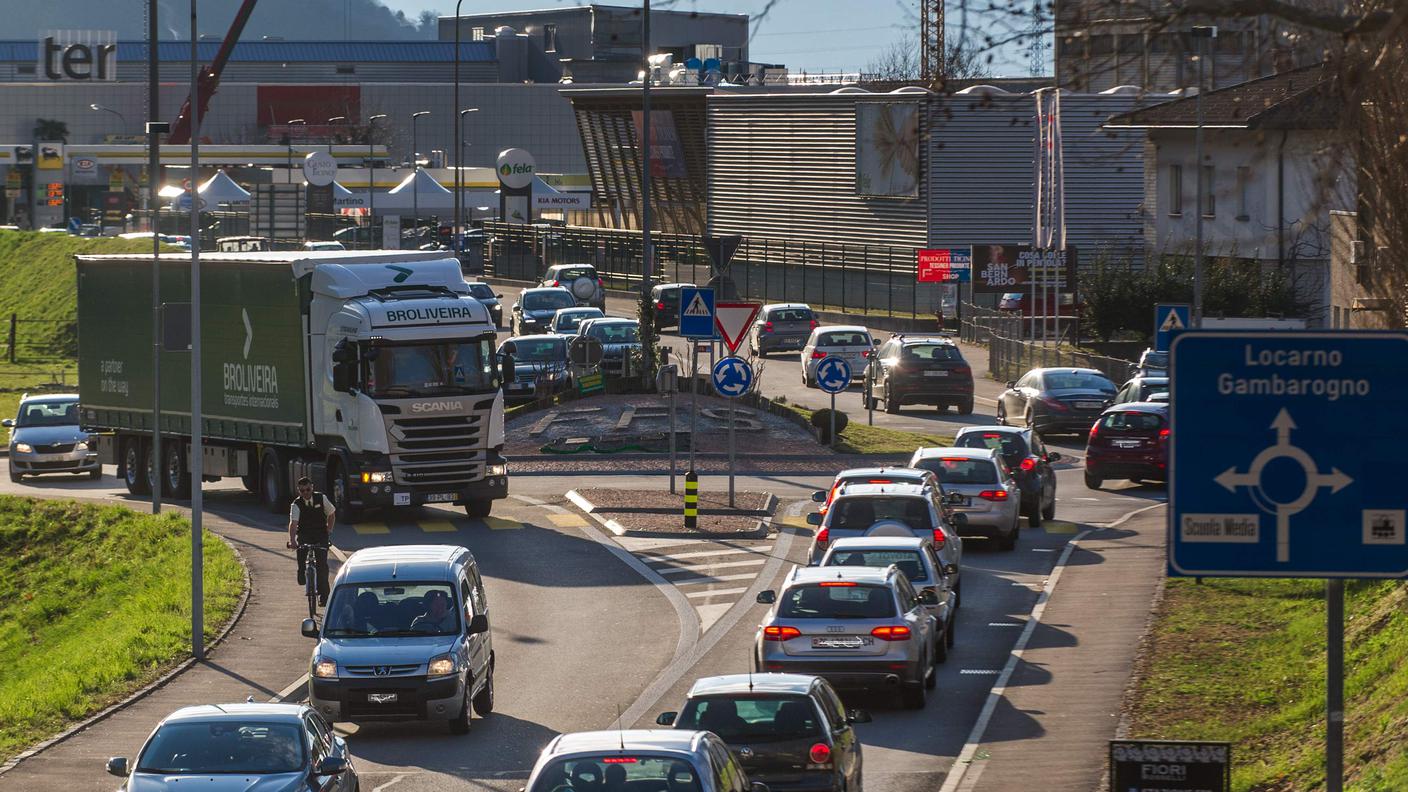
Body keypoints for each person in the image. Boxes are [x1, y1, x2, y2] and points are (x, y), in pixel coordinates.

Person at [287, 477, 336, 606]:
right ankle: (301, 571)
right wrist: (292, 541)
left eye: (308, 489)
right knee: (301, 553)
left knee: (322, 567)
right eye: (302, 491)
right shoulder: (296, 504)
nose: (306, 493)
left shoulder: (321, 498)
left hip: (321, 534)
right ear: (299, 491)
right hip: (305, 534)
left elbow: (331, 513)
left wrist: (329, 530)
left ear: (312, 488)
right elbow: (293, 524)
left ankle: (324, 597)